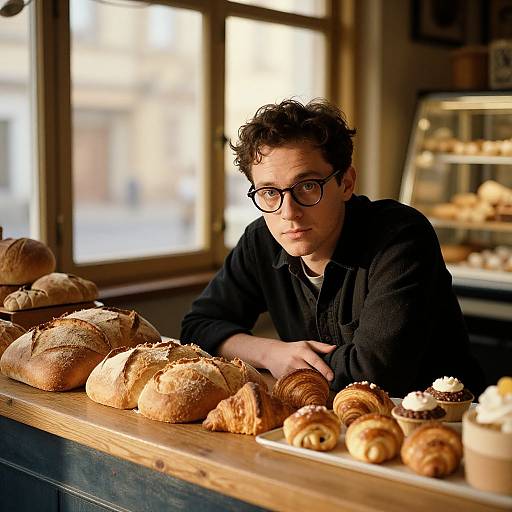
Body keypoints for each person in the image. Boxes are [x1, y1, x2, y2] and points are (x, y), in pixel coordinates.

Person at [180, 99, 484, 397]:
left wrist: (284, 362)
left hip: (442, 424)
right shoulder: (262, 238)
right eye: (270, 192)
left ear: (346, 183)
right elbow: (197, 328)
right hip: (330, 422)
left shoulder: (401, 237)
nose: (288, 212)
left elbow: (375, 374)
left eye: (308, 186)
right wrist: (269, 352)